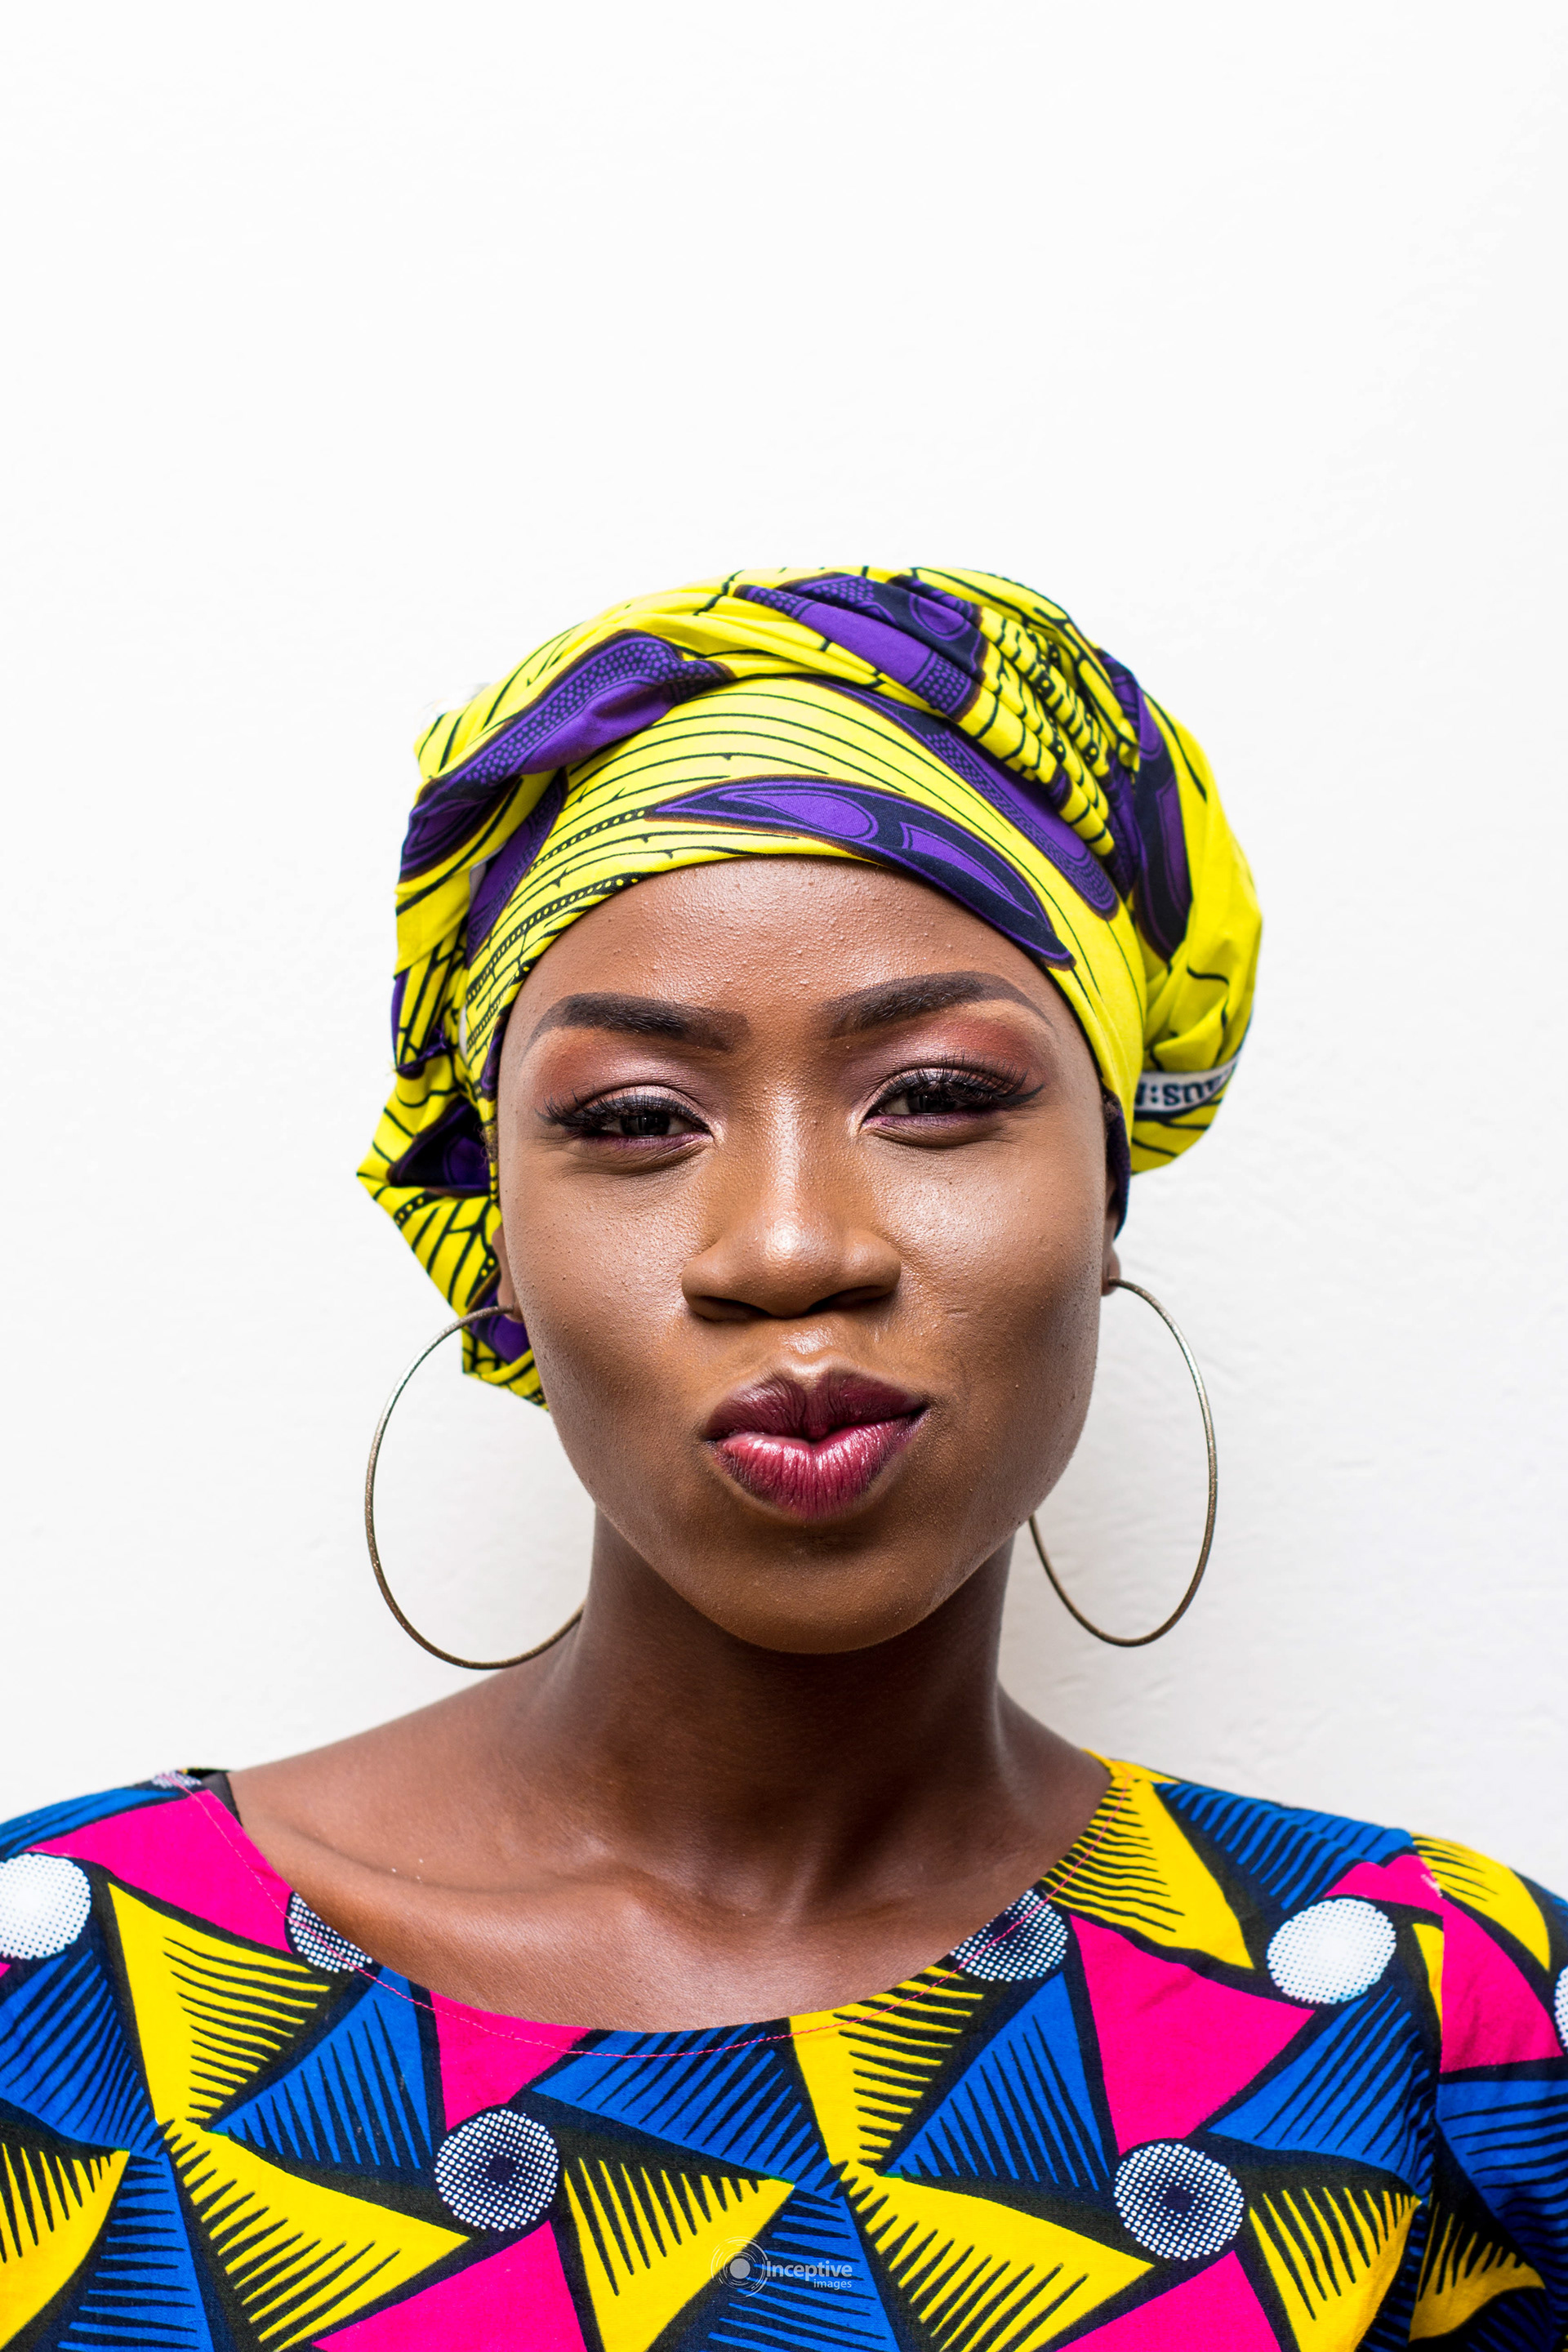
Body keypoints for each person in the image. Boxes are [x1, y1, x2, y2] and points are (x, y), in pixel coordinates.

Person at [1, 570, 1561, 2350]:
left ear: (1107, 1196)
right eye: (635, 1120)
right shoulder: (47, 2006)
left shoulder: (1433, 2031)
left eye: (938, 1097)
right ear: (494, 1238)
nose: (791, 1245)